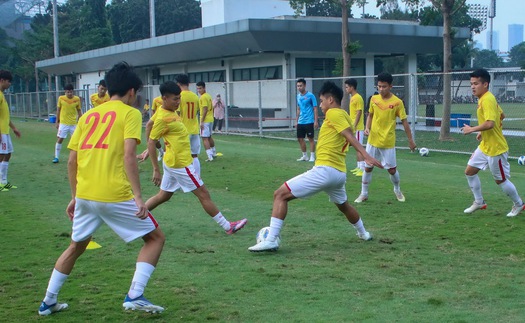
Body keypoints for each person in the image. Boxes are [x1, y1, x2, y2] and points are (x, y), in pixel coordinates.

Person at [38, 62, 166, 316]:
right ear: (132, 91)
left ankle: (48, 301)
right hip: (115, 194)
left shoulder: (88, 115)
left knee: (76, 246)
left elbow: (72, 160)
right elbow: (130, 155)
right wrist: (139, 197)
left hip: (85, 194)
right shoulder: (129, 113)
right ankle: (135, 295)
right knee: (155, 239)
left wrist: (75, 197)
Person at [248, 81, 382, 252]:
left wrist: (366, 155)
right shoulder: (344, 116)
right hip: (338, 173)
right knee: (344, 205)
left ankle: (271, 239)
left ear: (331, 100)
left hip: (325, 171)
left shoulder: (334, 113)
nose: (321, 105)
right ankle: (364, 233)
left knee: (280, 194)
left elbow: (348, 136)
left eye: (322, 101)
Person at [145, 81, 247, 234]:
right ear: (164, 98)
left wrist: (148, 150)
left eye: (179, 98)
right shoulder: (163, 118)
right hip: (180, 164)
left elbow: (148, 126)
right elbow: (152, 140)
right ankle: (228, 226)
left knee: (163, 196)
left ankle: (136, 216)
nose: (178, 102)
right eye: (175, 99)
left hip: (172, 161)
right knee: (204, 194)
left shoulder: (163, 110)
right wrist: (155, 169)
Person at [461, 68, 524, 217]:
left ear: (485, 84)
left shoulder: (488, 99)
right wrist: (483, 133)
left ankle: (519, 204)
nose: (472, 87)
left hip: (496, 148)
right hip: (485, 146)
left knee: (500, 180)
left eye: (476, 83)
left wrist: (473, 129)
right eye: (471, 84)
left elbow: (490, 123)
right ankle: (479, 202)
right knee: (469, 172)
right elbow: (501, 115)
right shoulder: (484, 99)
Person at [354, 72, 416, 204]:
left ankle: (397, 190)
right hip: (373, 140)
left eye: (384, 87)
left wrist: (410, 141)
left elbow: (405, 122)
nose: (381, 89)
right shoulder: (373, 99)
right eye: (379, 86)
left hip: (388, 141)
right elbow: (370, 115)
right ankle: (363, 194)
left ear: (391, 86)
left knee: (392, 170)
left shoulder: (397, 102)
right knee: (368, 167)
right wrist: (367, 127)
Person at [176, 74, 201, 175]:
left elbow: (177, 114)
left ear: (178, 84)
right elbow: (197, 111)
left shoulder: (179, 97)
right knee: (194, 156)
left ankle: (184, 179)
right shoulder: (195, 96)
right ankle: (197, 177)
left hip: (183, 130)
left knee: (181, 156)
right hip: (194, 129)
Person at [0, 70, 21, 192]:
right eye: (9, 82)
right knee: (1, 155)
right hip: (1, 131)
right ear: (2, 80)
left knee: (8, 154)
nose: (10, 84)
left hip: (5, 131)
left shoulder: (2, 95)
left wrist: (14, 128)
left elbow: (4, 116)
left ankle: (3, 182)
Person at [53, 84, 82, 163]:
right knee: (60, 139)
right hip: (63, 123)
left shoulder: (77, 99)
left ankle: (78, 158)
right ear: (65, 92)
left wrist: (81, 120)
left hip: (73, 124)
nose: (70, 94)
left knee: (77, 141)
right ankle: (56, 157)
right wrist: (57, 122)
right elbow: (58, 110)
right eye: (68, 92)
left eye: (71, 92)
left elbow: (79, 110)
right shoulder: (61, 98)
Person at [344, 78, 365, 177]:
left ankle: (362, 168)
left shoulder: (358, 98)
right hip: (353, 127)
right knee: (357, 148)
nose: (346, 89)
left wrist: (354, 126)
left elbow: (359, 112)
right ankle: (359, 166)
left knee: (359, 147)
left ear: (352, 87)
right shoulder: (352, 97)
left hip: (358, 128)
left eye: (347, 87)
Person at [295, 78, 318, 162]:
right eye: (298, 86)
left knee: (310, 138)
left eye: (300, 86)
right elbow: (298, 109)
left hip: (309, 121)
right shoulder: (298, 96)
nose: (299, 87)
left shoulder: (311, 96)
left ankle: (312, 156)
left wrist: (315, 121)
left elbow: (315, 108)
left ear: (304, 85)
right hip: (301, 121)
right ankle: (304, 155)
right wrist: (296, 121)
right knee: (300, 138)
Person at [196, 81, 217, 161]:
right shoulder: (208, 96)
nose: (199, 90)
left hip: (205, 120)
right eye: (197, 88)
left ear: (204, 88)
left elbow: (205, 109)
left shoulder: (203, 97)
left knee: (204, 138)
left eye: (200, 88)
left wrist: (201, 121)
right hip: (210, 119)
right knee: (209, 137)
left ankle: (210, 156)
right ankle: (214, 153)